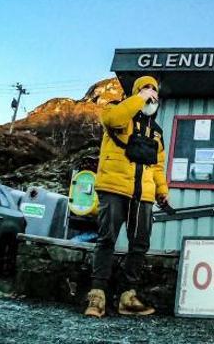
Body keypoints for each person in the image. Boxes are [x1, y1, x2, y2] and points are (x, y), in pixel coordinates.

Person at [84, 75, 169, 318]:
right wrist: (138, 98)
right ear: (136, 92)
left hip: (143, 196)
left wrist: (162, 192)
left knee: (140, 244)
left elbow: (157, 166)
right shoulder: (117, 111)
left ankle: (127, 296)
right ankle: (97, 294)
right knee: (106, 239)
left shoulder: (156, 131)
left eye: (154, 90)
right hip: (114, 188)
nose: (151, 93)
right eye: (146, 88)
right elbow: (113, 119)